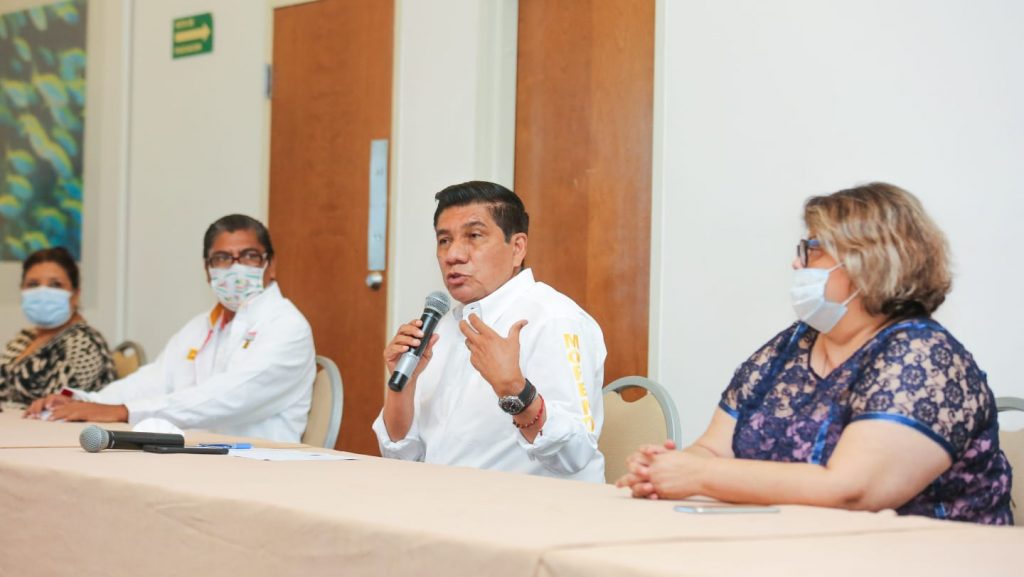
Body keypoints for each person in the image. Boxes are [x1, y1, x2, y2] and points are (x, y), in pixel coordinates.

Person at [618, 183, 1012, 524]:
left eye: (813, 249)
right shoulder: (793, 344)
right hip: (791, 547)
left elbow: (851, 490)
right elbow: (712, 448)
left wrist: (698, 477)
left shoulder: (924, 357)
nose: (797, 262)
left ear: (869, 261)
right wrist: (663, 471)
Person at [373, 181, 606, 482]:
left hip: (528, 506)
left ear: (517, 248)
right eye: (444, 240)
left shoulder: (554, 319)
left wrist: (516, 390)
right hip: (442, 498)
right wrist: (403, 387)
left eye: (474, 236)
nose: (453, 255)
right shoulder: (443, 327)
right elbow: (401, 456)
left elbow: (574, 454)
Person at [25, 215, 316, 443]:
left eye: (250, 256)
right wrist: (83, 400)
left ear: (271, 265)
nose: (236, 267)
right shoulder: (201, 326)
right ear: (207, 270)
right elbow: (154, 380)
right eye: (223, 258)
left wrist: (123, 412)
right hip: (196, 459)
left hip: (260, 468)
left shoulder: (287, 326)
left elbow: (228, 396)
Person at [0, 247, 117, 407]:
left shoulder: (84, 344)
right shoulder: (25, 336)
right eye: (33, 284)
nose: (43, 293)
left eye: (55, 285)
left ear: (75, 294)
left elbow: (54, 405)